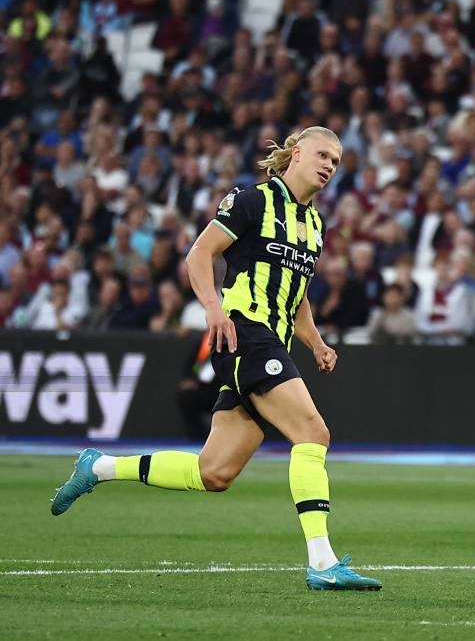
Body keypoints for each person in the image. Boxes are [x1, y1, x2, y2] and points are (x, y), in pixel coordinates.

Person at [50, 126, 382, 592]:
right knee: (313, 432)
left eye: (336, 160)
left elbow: (297, 295)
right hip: (244, 333)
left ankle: (99, 466)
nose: (330, 165)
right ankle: (323, 563)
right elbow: (199, 253)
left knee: (215, 472)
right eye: (323, 155)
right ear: (297, 154)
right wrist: (211, 308)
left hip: (272, 342)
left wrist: (317, 344)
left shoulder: (314, 224)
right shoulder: (252, 200)